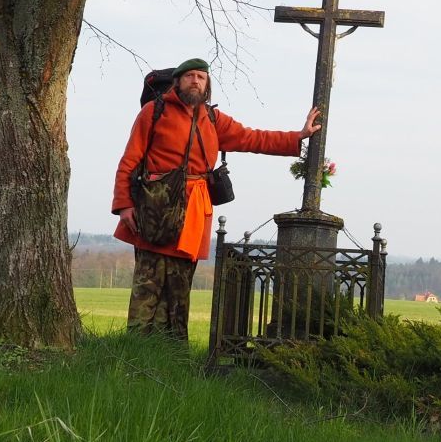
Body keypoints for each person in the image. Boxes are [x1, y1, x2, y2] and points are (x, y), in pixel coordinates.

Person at [112, 58, 321, 341]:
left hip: (193, 211)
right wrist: (124, 205)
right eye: (189, 76)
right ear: (177, 81)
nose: (195, 81)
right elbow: (130, 160)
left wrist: (298, 136)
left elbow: (253, 138)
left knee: (179, 286)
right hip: (154, 209)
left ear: (207, 84)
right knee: (147, 284)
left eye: (201, 76)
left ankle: (172, 352)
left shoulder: (213, 119)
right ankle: (136, 349)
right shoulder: (154, 112)